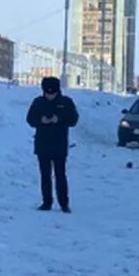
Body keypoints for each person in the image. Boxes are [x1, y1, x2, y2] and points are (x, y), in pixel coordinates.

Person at [26, 76, 79, 213]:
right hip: (42, 144)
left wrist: (59, 119)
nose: (50, 96)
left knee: (60, 174)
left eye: (52, 93)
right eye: (47, 93)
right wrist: (41, 120)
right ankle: (46, 202)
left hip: (59, 144)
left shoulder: (66, 102)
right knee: (45, 175)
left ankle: (64, 203)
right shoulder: (38, 102)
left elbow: (73, 119)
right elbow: (30, 119)